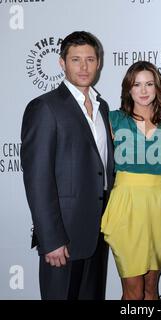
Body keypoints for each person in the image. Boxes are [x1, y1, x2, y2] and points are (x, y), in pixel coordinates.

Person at [21, 31, 114, 300]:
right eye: (75, 60)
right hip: (63, 238)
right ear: (62, 63)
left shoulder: (102, 107)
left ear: (99, 63)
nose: (83, 67)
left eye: (89, 59)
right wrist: (51, 239)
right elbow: (38, 179)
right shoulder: (44, 108)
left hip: (98, 233)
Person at [101, 61, 161, 300]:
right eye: (137, 85)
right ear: (129, 89)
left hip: (157, 205)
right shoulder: (112, 120)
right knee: (133, 291)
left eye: (149, 84)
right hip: (125, 204)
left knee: (151, 289)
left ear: (158, 88)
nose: (144, 90)